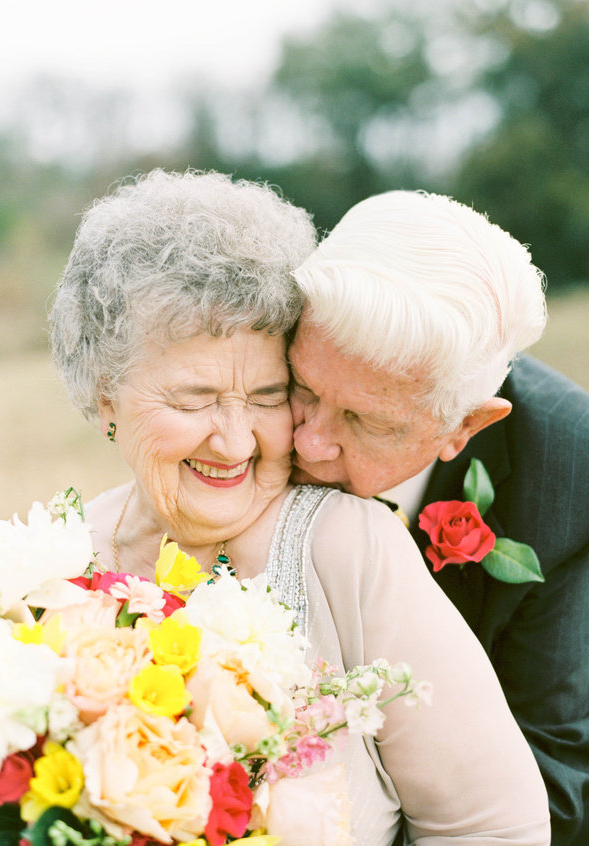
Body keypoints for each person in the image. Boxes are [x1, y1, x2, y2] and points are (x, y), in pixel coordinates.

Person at [48, 169, 549, 845]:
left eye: (267, 395)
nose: (233, 440)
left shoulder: (351, 550)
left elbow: (495, 829)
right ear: (106, 395)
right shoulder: (36, 569)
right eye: (194, 398)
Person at [289, 189, 589, 846]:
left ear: (463, 427)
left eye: (364, 421)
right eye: (302, 389)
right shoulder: (243, 406)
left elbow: (555, 787)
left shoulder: (568, 473)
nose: (307, 442)